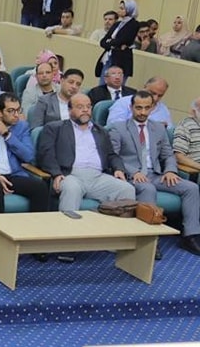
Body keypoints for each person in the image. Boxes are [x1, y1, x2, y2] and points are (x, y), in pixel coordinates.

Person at [109, 91, 200, 256]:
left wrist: (170, 170)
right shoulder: (119, 128)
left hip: (156, 174)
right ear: (131, 107)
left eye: (146, 108)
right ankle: (150, 239)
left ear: (152, 108)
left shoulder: (158, 128)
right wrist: (133, 172)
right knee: (147, 188)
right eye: (138, 108)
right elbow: (113, 156)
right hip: (131, 176)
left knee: (191, 188)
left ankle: (190, 236)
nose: (142, 112)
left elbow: (168, 154)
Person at [37, 93, 134, 224]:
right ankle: (68, 232)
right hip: (70, 175)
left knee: (127, 189)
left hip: (98, 177)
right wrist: (56, 173)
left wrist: (118, 169)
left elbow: (111, 154)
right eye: (80, 107)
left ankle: (119, 233)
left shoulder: (101, 131)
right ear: (69, 110)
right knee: (72, 189)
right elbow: (46, 154)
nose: (85, 110)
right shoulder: (55, 128)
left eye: (88, 107)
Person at [96, 0, 139, 80]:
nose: (119, 10)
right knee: (103, 81)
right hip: (109, 55)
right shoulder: (117, 24)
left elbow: (123, 40)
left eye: (122, 9)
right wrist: (112, 44)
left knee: (116, 82)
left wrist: (111, 42)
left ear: (129, 10)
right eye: (119, 8)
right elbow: (103, 41)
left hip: (121, 58)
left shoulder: (134, 24)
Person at [106, 77, 172, 127]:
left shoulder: (163, 109)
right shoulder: (123, 103)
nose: (155, 98)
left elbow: (170, 132)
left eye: (160, 96)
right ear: (144, 87)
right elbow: (113, 126)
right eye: (153, 93)